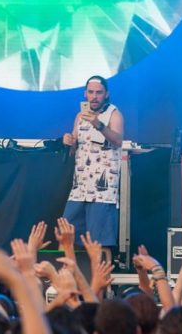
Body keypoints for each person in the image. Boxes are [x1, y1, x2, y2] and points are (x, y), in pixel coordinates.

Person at [61, 75, 124, 263]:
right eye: (91, 92)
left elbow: (118, 140)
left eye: (99, 92)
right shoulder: (80, 116)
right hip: (80, 187)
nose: (94, 97)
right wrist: (69, 141)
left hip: (102, 191)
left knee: (100, 241)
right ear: (85, 94)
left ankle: (103, 279)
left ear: (106, 94)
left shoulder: (114, 114)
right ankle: (64, 276)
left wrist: (98, 124)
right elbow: (74, 147)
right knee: (66, 234)